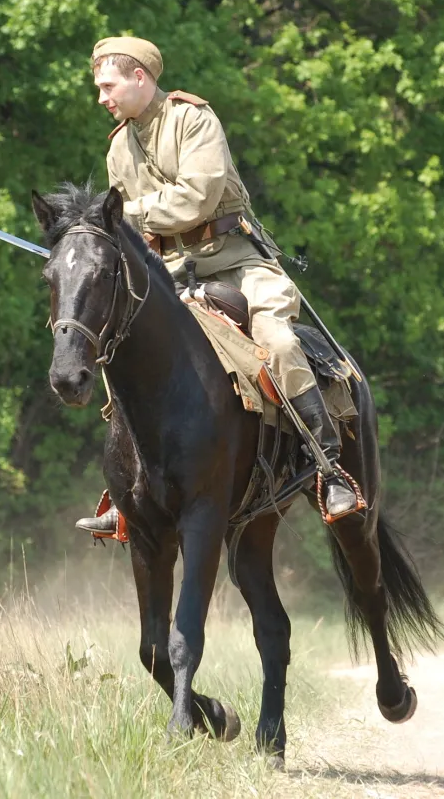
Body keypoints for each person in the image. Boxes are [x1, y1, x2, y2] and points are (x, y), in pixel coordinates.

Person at [75, 36, 359, 535]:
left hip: (232, 263)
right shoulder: (119, 146)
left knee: (278, 341)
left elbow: (197, 199)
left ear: (140, 76)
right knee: (116, 340)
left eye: (107, 85)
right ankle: (130, 489)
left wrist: (122, 215)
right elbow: (131, 231)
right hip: (167, 272)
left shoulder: (194, 120)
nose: (101, 97)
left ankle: (329, 466)